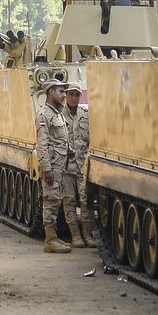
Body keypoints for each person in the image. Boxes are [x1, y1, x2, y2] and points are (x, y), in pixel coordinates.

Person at [34, 82, 73, 253]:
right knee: (50, 201)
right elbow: (42, 145)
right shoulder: (44, 115)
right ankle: (50, 240)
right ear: (50, 92)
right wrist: (46, 168)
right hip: (52, 166)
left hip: (60, 164)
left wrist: (69, 150)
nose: (65, 95)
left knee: (56, 200)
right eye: (61, 92)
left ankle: (55, 237)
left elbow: (58, 139)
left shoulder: (57, 113)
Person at [59, 84, 93, 248]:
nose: (74, 97)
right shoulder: (58, 115)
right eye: (71, 94)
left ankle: (87, 234)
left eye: (77, 95)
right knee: (69, 201)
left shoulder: (86, 115)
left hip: (82, 166)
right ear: (66, 95)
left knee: (86, 201)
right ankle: (75, 236)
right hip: (66, 167)